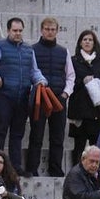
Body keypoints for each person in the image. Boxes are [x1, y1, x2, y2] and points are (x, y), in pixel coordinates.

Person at [0, 17, 48, 174]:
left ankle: (16, 168)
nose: (18, 33)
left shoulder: (28, 49)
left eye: (20, 31)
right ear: (8, 30)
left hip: (22, 97)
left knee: (17, 134)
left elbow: (34, 71)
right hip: (4, 95)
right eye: (14, 30)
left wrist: (41, 81)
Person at [26, 17, 74, 178]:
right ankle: (32, 168)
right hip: (40, 98)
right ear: (41, 30)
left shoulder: (63, 51)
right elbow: (31, 72)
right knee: (36, 135)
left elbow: (70, 76)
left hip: (59, 99)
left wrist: (65, 94)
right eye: (47, 29)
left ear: (57, 31)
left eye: (53, 29)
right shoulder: (32, 49)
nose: (50, 32)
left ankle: (55, 169)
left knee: (58, 137)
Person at [68, 29, 100, 167]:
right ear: (80, 43)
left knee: (97, 148)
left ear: (95, 43)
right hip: (80, 111)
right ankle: (76, 174)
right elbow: (69, 82)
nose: (87, 42)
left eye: (90, 40)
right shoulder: (73, 61)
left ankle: (96, 175)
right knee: (79, 147)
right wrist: (83, 81)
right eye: (85, 39)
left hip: (97, 112)